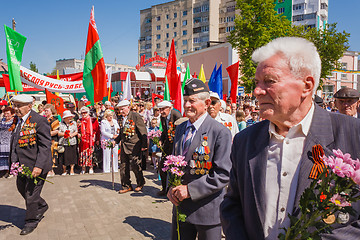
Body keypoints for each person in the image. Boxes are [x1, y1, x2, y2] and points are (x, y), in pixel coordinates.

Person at [220, 37, 360, 240]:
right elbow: (232, 204)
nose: (257, 91)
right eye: (257, 82)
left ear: (307, 85)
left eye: (269, 81)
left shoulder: (352, 133)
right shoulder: (245, 141)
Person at [167, 78, 232, 240]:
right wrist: (170, 186)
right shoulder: (181, 128)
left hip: (207, 212)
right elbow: (173, 162)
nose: (187, 105)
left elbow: (223, 174)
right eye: (186, 100)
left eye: (192, 101)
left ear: (207, 102)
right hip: (181, 208)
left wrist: (189, 190)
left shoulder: (219, 132)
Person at [9, 94, 52, 235]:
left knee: (31, 194)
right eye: (15, 105)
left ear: (29, 106)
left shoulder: (39, 120)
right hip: (21, 165)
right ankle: (42, 205)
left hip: (35, 165)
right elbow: (15, 143)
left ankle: (31, 221)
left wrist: (39, 166)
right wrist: (14, 163)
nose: (16, 108)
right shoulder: (18, 121)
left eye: (19, 106)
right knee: (21, 188)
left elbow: (45, 146)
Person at [115, 100, 147, 194]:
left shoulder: (135, 116)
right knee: (123, 166)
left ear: (128, 107)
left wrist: (144, 145)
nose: (121, 111)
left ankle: (140, 182)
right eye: (119, 109)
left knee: (135, 165)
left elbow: (143, 131)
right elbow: (121, 132)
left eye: (122, 109)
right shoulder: (121, 118)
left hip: (134, 145)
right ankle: (126, 185)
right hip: (124, 145)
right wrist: (115, 141)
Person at [158, 100, 182, 196]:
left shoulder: (176, 115)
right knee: (162, 166)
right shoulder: (162, 118)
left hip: (176, 146)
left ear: (170, 108)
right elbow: (164, 132)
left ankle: (174, 190)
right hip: (167, 146)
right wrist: (160, 140)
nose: (162, 111)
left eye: (163, 109)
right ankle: (164, 188)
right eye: (160, 109)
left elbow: (181, 131)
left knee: (175, 169)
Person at [78, 106, 99, 174]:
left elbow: (97, 130)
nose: (84, 114)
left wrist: (97, 139)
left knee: (91, 154)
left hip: (91, 140)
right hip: (82, 140)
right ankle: (83, 168)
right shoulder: (79, 121)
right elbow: (77, 130)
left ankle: (91, 167)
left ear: (88, 113)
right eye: (82, 113)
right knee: (82, 154)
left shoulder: (93, 120)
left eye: (85, 112)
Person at [58, 110, 78, 176]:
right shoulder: (60, 124)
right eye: (68, 117)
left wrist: (72, 135)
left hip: (72, 142)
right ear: (64, 118)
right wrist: (64, 134)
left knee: (72, 156)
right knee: (64, 157)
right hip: (64, 142)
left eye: (70, 117)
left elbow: (76, 131)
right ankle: (64, 170)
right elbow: (58, 132)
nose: (70, 118)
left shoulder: (74, 123)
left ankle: (72, 169)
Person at [43, 104, 60, 177]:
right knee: (46, 155)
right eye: (45, 110)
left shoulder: (54, 120)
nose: (45, 112)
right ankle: (48, 170)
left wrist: (46, 134)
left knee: (52, 155)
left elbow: (56, 131)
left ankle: (51, 170)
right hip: (45, 140)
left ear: (51, 111)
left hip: (52, 140)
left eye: (47, 110)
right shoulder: (44, 119)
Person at [0, 107, 14, 178]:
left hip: (9, 140)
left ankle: (9, 171)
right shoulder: (2, 120)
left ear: (12, 114)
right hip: (2, 140)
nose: (6, 115)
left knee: (9, 156)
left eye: (8, 113)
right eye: (5, 113)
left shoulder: (14, 121)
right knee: (2, 156)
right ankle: (3, 170)